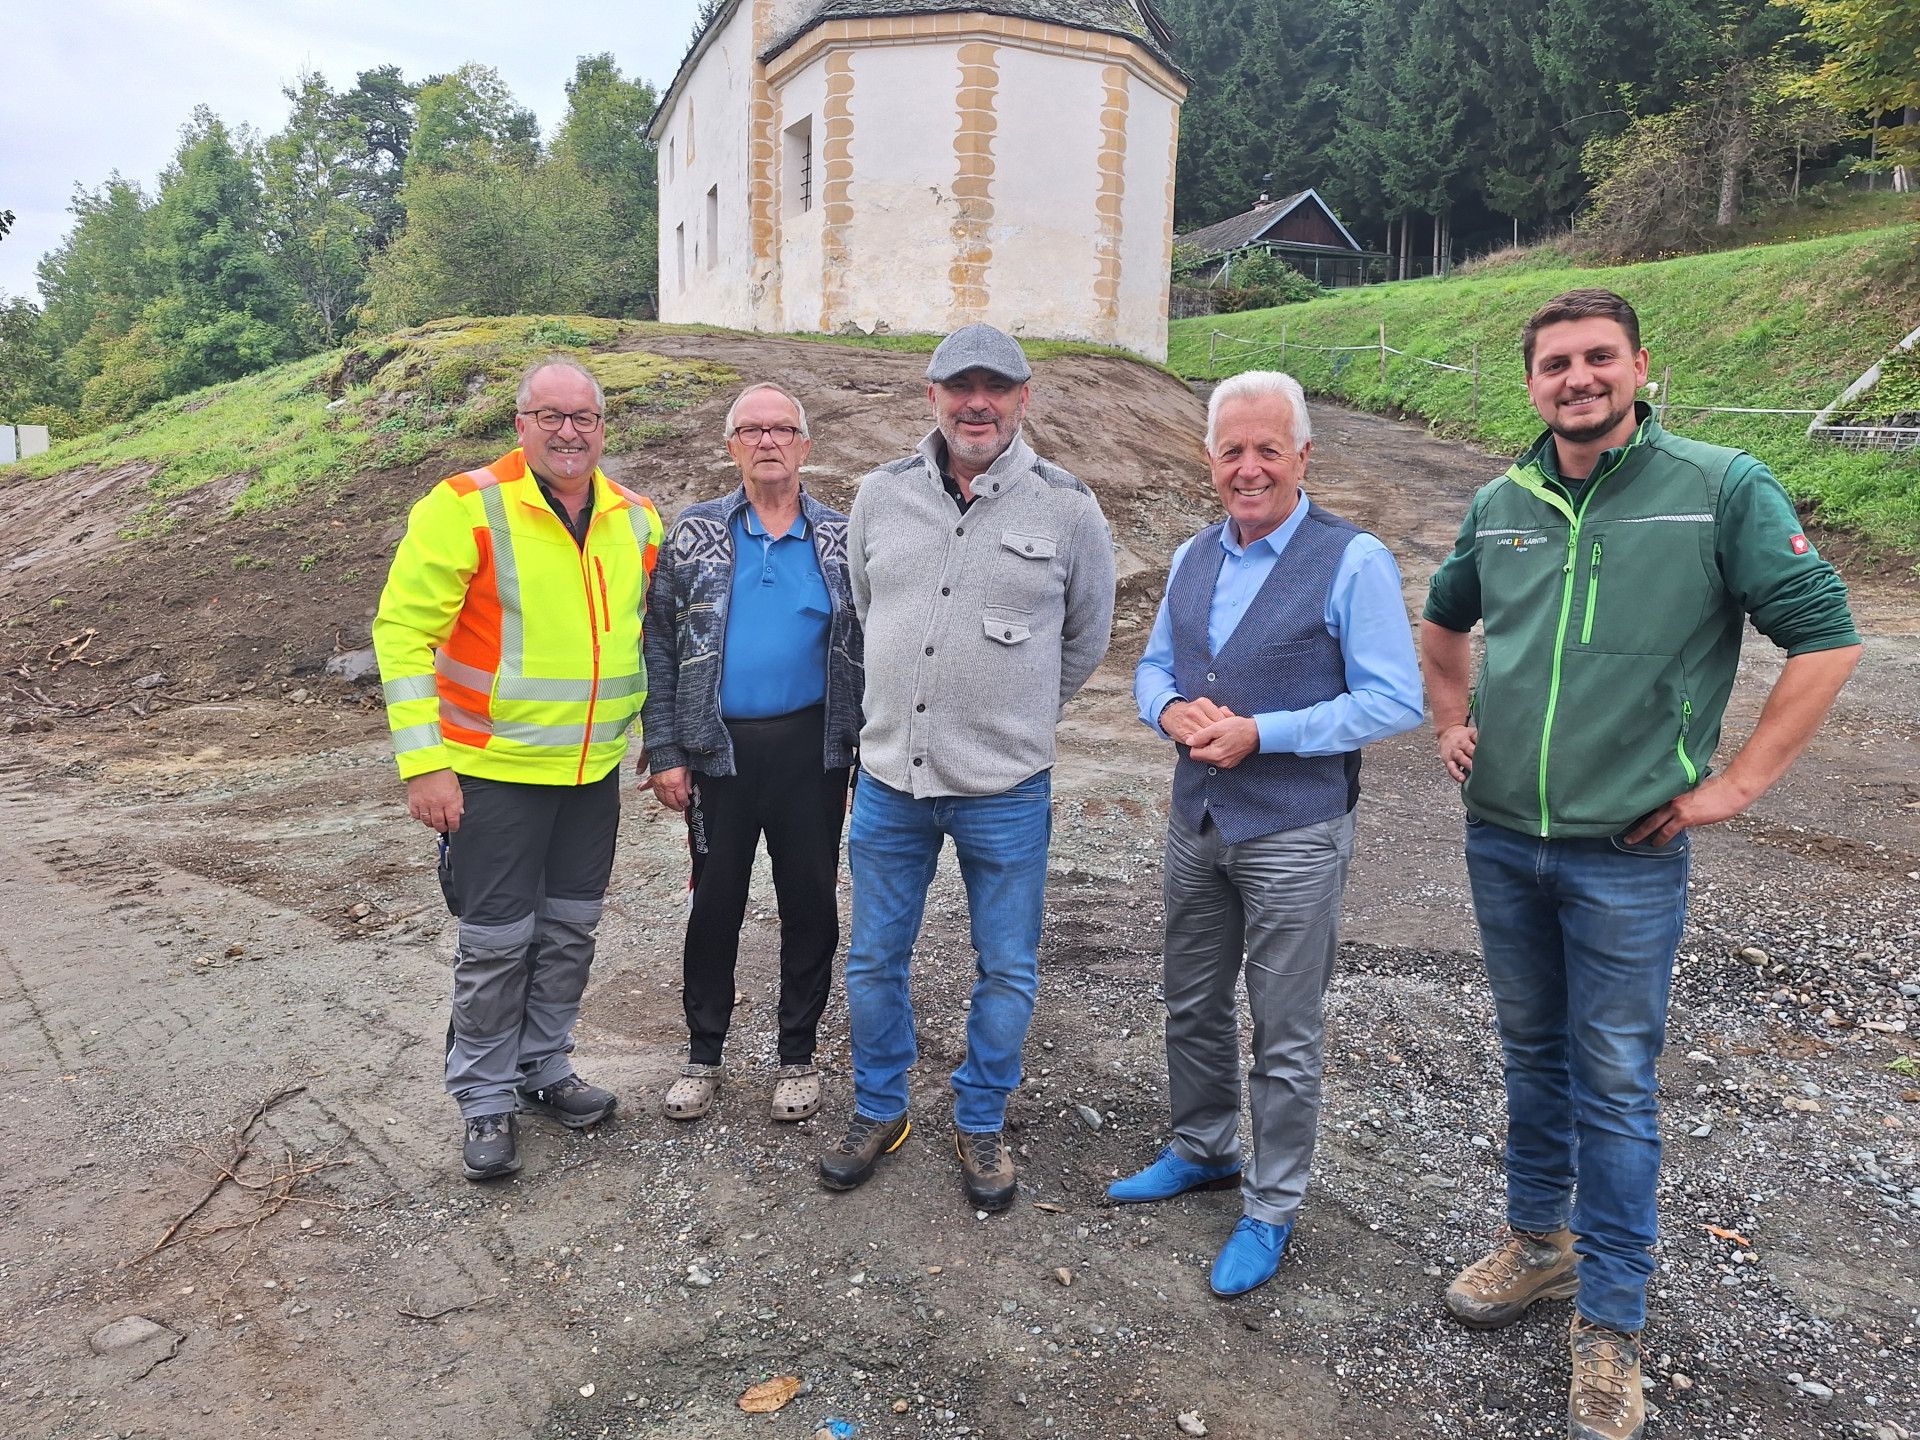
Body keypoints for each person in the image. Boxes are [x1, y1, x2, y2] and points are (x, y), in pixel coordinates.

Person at [1421, 289, 1861, 1440]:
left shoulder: (1720, 487)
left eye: (1598, 358)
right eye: (1556, 362)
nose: (1578, 377)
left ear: (1637, 366)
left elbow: (1826, 633)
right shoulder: (1499, 501)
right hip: (1503, 837)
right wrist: (1449, 713)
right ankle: (1538, 1244)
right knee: (1530, 1055)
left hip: (1628, 853)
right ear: (1531, 384)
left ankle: (1611, 1326)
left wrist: (1740, 784)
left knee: (1613, 1084)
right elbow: (1445, 616)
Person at [1110, 369, 1423, 1297]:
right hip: (1196, 817)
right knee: (1191, 999)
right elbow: (1155, 666)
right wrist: (1165, 711)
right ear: (1211, 460)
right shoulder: (1192, 555)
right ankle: (1203, 1146)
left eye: (1267, 451)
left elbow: (1393, 698)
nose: (1249, 469)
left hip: (1294, 828)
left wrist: (1266, 733)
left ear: (1302, 457)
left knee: (1284, 1031)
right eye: (1232, 452)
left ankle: (1272, 1204)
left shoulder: (1353, 558)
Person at [820, 323, 1116, 1210]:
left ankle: (980, 1120)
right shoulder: (880, 495)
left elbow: (1086, 638)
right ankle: (881, 1108)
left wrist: (1014, 715)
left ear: (1024, 399)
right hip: (890, 786)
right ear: (933, 396)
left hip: (1007, 792)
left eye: (996, 387)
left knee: (1009, 967)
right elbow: (870, 610)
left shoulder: (1068, 507)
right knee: (874, 960)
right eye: (959, 386)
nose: (975, 403)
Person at [373, 354, 664, 1181]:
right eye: (551, 416)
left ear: (603, 427)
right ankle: (485, 1097)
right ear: (521, 424)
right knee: (498, 942)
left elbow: (653, 641)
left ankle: (544, 1069)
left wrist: (658, 737)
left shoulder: (637, 518)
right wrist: (424, 764)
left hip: (590, 776)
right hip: (492, 772)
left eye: (585, 418)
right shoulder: (465, 507)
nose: (569, 432)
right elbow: (401, 637)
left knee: (569, 932)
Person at [640, 382, 863, 1124]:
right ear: (731, 445)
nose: (768, 441)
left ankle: (796, 1056)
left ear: (806, 444)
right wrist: (667, 747)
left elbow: (868, 643)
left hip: (812, 751)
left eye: (782, 429)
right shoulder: (695, 533)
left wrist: (863, 748)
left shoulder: (841, 536)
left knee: (811, 904)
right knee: (715, 905)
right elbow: (661, 641)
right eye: (751, 430)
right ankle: (704, 1056)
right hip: (718, 753)